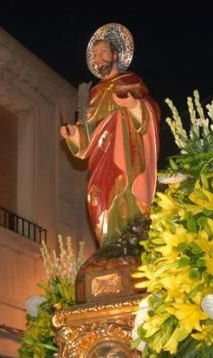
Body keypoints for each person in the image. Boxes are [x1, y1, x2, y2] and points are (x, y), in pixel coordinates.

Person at [59, 23, 160, 246]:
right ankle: (109, 249)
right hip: (100, 162)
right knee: (97, 202)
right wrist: (72, 134)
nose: (99, 58)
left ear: (115, 54)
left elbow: (151, 110)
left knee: (127, 199)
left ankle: (132, 247)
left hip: (128, 160)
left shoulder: (131, 81)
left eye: (103, 52)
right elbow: (86, 137)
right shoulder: (92, 94)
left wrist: (134, 105)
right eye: (95, 55)